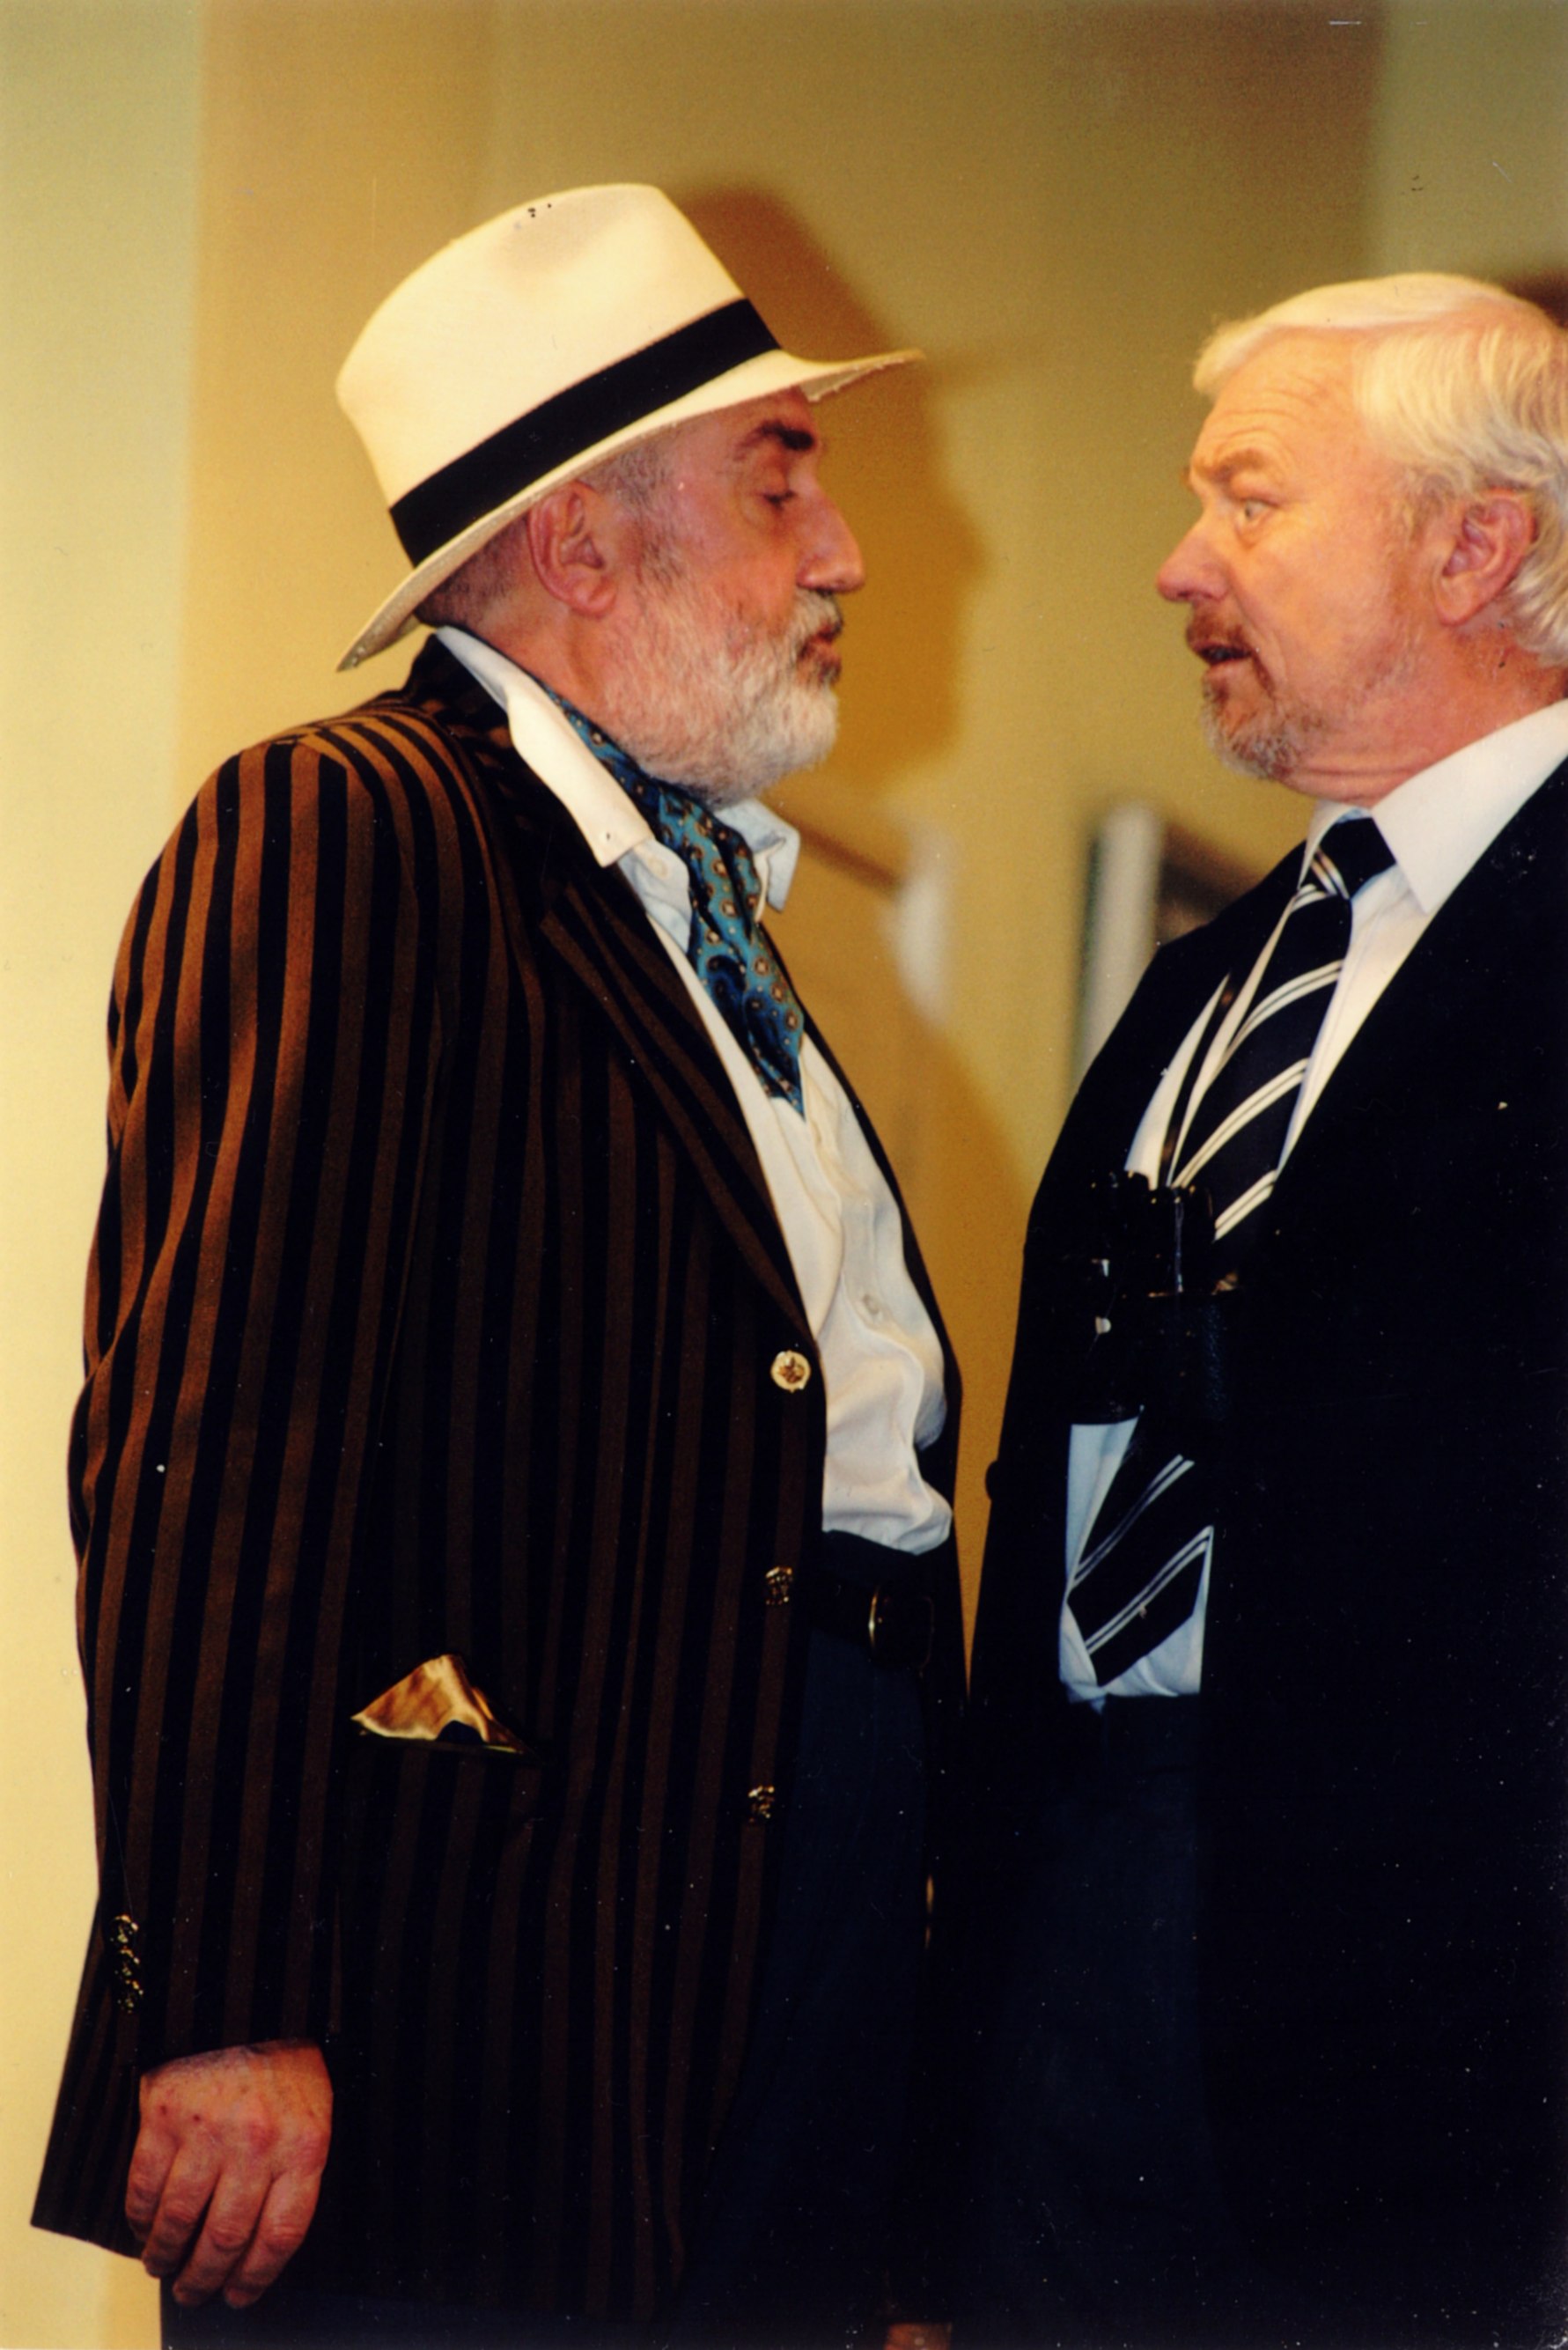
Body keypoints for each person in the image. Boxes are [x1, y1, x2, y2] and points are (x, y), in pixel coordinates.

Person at [33, 184, 963, 2349]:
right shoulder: (354, 823)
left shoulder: (685, 908)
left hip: (778, 1927)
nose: (844, 554)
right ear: (583, 543)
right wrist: (224, 1993)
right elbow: (210, 1450)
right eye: (782, 482)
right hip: (497, 2011)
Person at [946, 274, 1568, 2347]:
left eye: (1249, 499)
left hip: (1444, 2060)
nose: (1177, 564)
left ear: (1472, 547)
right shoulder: (1203, 989)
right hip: (1079, 1987)